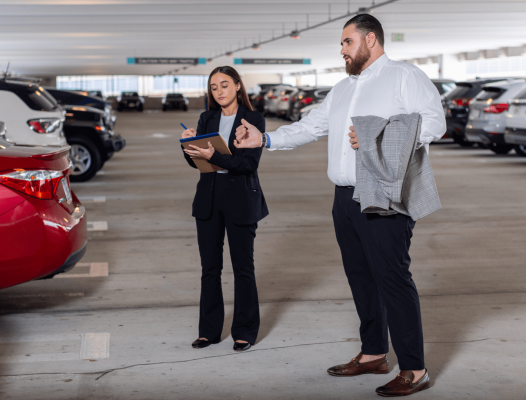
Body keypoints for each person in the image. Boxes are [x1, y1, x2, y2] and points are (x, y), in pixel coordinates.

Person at [233, 14, 444, 397]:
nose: (342, 49)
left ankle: (414, 368)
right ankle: (374, 353)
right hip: (345, 197)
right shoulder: (343, 88)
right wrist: (263, 140)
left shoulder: (404, 77)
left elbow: (434, 123)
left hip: (384, 193)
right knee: (361, 278)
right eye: (342, 44)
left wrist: (380, 138)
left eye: (347, 42)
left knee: (393, 280)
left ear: (371, 40)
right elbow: (310, 126)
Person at [181, 66, 268, 352]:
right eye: (214, 87)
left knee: (243, 268)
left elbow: (248, 164)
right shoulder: (207, 117)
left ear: (238, 86)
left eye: (224, 85)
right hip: (209, 197)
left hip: (241, 197)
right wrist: (189, 148)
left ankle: (245, 330)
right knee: (210, 268)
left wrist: (214, 155)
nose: (219, 91)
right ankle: (208, 331)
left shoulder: (253, 119)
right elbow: (199, 164)